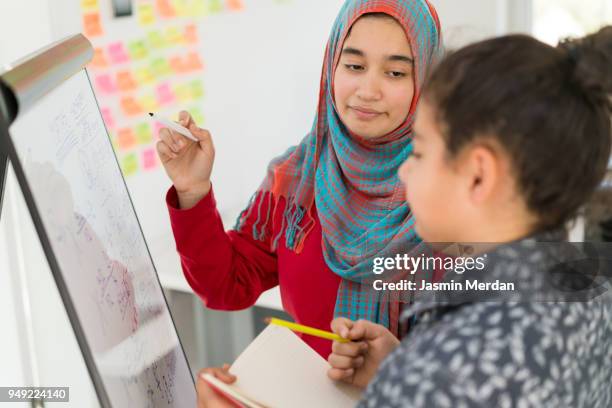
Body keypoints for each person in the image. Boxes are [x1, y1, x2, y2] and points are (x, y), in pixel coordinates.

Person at [325, 27, 612, 407]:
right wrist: (399, 368)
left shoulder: (439, 373)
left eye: (420, 152)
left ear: (479, 175)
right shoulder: (592, 290)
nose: (404, 172)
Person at [156, 0, 442, 359]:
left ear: (428, 79)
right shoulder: (296, 178)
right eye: (354, 65)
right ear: (331, 66)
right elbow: (226, 285)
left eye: (396, 73)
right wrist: (192, 191)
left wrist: (398, 371)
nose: (368, 90)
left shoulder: (460, 194)